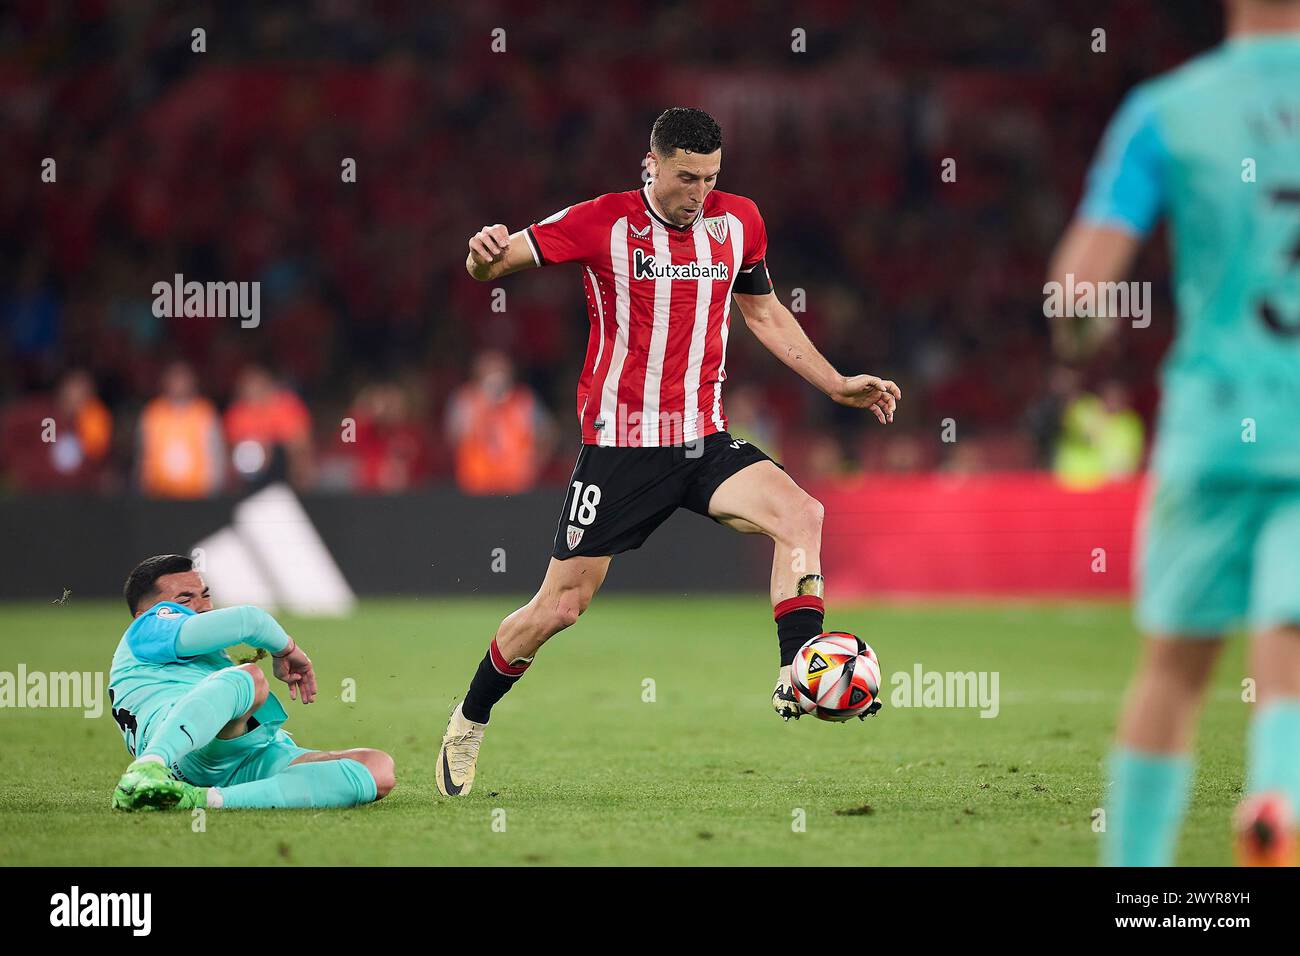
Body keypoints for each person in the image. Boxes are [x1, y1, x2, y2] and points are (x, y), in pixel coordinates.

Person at [437, 106, 900, 796]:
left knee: (803, 516)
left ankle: (795, 673)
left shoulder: (739, 221)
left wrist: (835, 383)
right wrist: (481, 256)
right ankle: (470, 719)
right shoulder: (602, 221)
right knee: (559, 608)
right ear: (652, 165)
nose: (698, 193)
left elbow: (763, 311)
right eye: (686, 177)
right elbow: (497, 264)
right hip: (620, 450)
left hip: (703, 439)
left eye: (710, 178)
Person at [1047, 0, 1300, 865]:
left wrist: (1081, 334)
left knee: (1173, 668)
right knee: (1293, 637)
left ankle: (1137, 884)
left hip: (1214, 428)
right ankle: (1277, 799)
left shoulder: (1166, 108)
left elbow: (1079, 290)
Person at [109, 554, 394, 811]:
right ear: (142, 614)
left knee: (377, 769)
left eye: (205, 595)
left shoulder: (190, 651)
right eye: (184, 600)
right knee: (251, 678)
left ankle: (200, 799)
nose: (202, 606)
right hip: (186, 756)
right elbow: (250, 621)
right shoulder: (147, 628)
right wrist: (287, 650)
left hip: (240, 755)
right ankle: (148, 768)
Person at [445, 349, 555, 495]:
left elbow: (548, 435)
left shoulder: (524, 400)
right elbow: (453, 437)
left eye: (500, 370)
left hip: (518, 488)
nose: (495, 376)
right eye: (490, 370)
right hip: (475, 488)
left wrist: (533, 465)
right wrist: (483, 407)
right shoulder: (465, 400)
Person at [137, 361, 224, 499]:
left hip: (198, 495)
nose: (179, 384)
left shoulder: (204, 412)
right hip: (161, 495)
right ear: (165, 383)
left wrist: (213, 490)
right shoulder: (154, 413)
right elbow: (145, 455)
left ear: (192, 382)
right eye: (174, 379)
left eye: (183, 379)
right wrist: (146, 489)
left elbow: (215, 453)